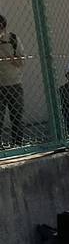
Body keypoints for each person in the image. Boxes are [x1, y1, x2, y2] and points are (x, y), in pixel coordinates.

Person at [0, 13, 25, 148]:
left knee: (17, 117)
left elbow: (21, 62)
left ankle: (18, 144)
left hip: (15, 84)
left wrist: (7, 55)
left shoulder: (13, 39)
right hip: (0, 85)